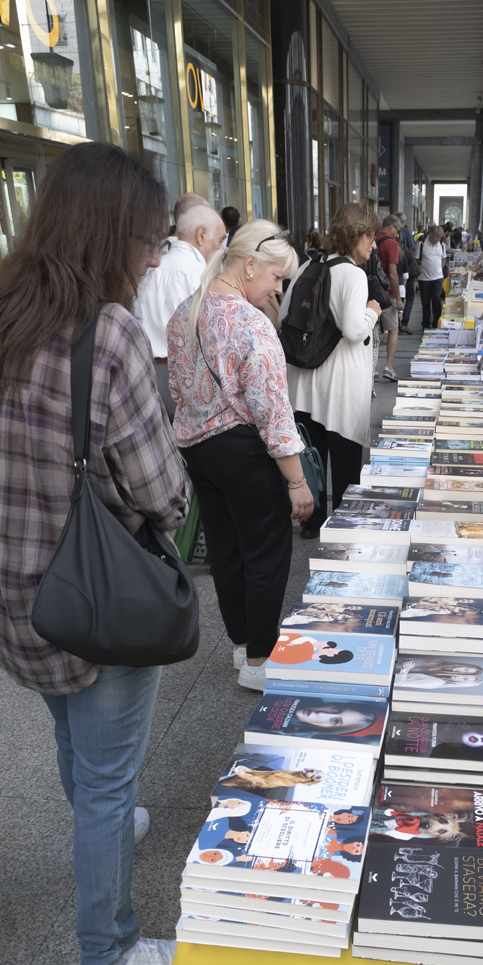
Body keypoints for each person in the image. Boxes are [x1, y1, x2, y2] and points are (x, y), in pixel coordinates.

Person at [0, 142, 190, 965]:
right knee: (105, 779)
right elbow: (159, 490)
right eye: (150, 239)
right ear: (112, 235)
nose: (154, 256)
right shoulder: (110, 334)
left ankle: (109, 828)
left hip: (11, 589)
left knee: (73, 735)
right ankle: (109, 955)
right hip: (95, 592)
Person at [168, 220, 312, 692]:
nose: (278, 288)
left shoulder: (187, 311)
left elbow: (178, 390)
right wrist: (296, 480)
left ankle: (241, 645)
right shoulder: (250, 324)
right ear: (249, 265)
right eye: (275, 277)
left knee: (227, 548)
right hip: (245, 449)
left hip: (200, 448)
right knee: (266, 551)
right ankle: (259, 658)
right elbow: (273, 410)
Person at [281, 200, 382, 539]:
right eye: (369, 236)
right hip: (340, 383)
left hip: (305, 380)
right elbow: (355, 330)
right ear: (355, 235)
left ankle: (312, 522)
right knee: (345, 459)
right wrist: (372, 312)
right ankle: (344, 524)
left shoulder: (308, 266)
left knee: (312, 453)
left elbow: (284, 316)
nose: (373, 244)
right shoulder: (353, 274)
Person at [135, 202, 226, 419]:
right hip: (186, 374)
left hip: (146, 372)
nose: (223, 248)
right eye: (221, 240)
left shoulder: (149, 268)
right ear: (202, 235)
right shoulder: (200, 275)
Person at [374, 214, 403, 381]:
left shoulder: (371, 240)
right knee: (393, 330)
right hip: (386, 295)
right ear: (391, 227)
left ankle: (373, 368)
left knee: (373, 333)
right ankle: (388, 367)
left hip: (370, 293)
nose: (398, 235)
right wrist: (398, 298)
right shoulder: (391, 244)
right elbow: (392, 274)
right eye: (397, 230)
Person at [416, 225, 446, 330]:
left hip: (437, 278)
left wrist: (440, 270)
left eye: (440, 237)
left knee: (436, 300)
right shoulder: (422, 244)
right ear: (431, 234)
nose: (439, 239)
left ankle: (436, 322)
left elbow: (443, 258)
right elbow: (417, 259)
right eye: (437, 236)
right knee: (425, 302)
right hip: (424, 278)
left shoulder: (442, 244)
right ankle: (425, 323)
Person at [396, 212, 417, 334]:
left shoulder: (391, 234)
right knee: (410, 296)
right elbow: (412, 249)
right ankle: (404, 322)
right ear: (403, 222)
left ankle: (397, 323)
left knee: (398, 297)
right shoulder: (407, 232)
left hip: (394, 267)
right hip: (406, 267)